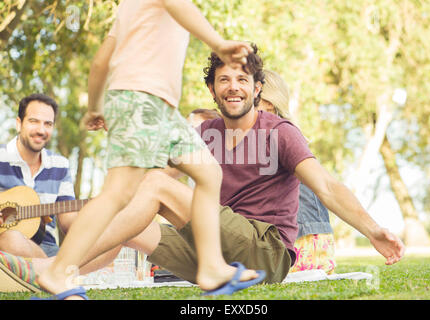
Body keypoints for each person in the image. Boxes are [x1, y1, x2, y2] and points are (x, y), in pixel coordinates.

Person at [1, 45, 404, 296]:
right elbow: (147, 185)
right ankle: (47, 273)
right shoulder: (205, 133)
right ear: (212, 89)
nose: (233, 87)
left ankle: (55, 265)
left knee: (158, 188)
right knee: (136, 225)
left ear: (257, 88)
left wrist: (373, 230)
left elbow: (328, 187)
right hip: (221, 256)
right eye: (223, 79)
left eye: (242, 79)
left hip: (266, 251)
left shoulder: (280, 133)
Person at [36, 0, 262, 299]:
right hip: (141, 101)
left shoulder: (129, 8)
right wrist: (218, 44)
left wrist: (95, 106)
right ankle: (58, 270)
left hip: (162, 109)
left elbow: (101, 61)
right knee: (119, 193)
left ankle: (211, 267)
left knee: (208, 173)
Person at [257, 70, 336, 274]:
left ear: (268, 104)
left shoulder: (272, 135)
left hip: (299, 245)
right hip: (319, 244)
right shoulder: (287, 132)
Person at [0, 94, 78, 259]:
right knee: (12, 239)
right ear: (19, 123)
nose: (41, 130)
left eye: (48, 124)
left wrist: (98, 216)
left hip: (47, 249)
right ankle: (53, 273)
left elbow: (69, 222)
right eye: (34, 121)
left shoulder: (60, 165)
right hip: (5, 248)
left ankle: (48, 271)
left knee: (115, 237)